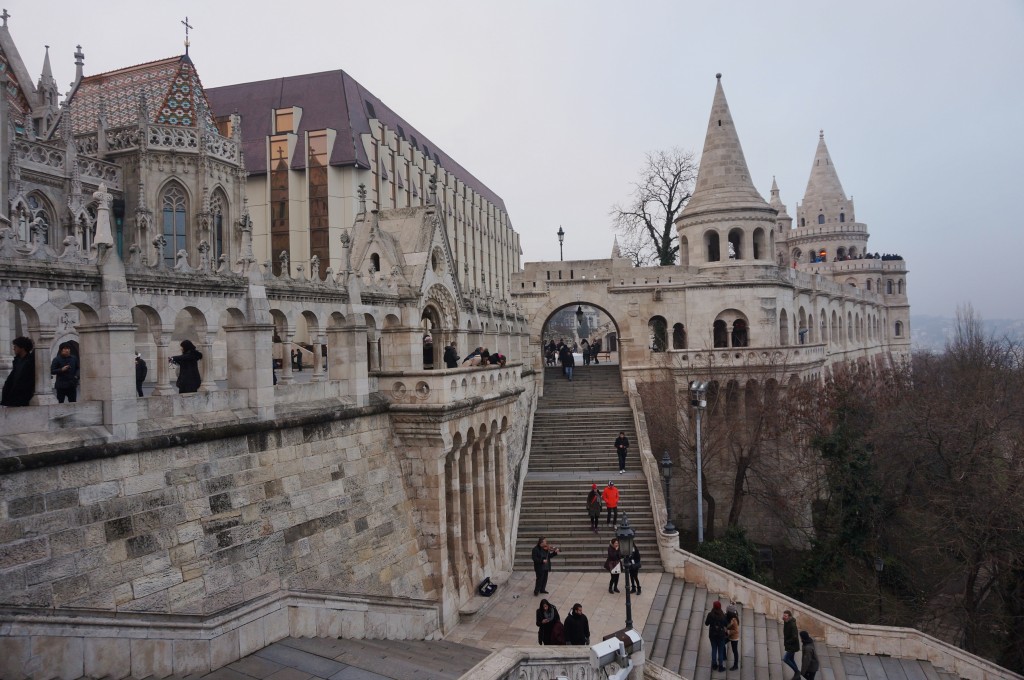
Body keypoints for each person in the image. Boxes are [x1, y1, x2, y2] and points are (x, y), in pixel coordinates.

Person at [1, 336, 36, 407]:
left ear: (22, 348)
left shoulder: (30, 361)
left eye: (16, 346)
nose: (14, 348)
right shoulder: (17, 360)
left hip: (23, 396)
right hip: (13, 395)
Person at [704, 600, 728, 672]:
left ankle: (714, 665)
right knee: (720, 651)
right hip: (721, 636)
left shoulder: (710, 614)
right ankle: (720, 667)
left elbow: (706, 623)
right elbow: (726, 624)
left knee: (714, 649)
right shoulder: (723, 616)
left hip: (712, 635)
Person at [782, 610, 800, 680]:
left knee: (786, 659)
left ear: (789, 617)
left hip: (792, 646)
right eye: (784, 615)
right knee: (791, 659)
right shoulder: (786, 621)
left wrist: (788, 642)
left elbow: (795, 637)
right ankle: (797, 675)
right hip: (790, 645)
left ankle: (797, 672)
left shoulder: (792, 625)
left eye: (785, 616)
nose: (784, 617)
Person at [726, 603, 740, 670]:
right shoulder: (733, 616)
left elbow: (736, 631)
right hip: (730, 636)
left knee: (735, 651)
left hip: (734, 637)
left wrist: (728, 631)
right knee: (722, 643)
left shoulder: (734, 620)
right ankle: (723, 656)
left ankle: (736, 665)